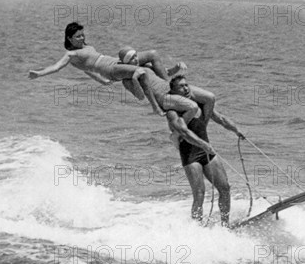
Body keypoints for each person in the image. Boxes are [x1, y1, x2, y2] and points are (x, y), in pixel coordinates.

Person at [28, 22, 184, 116]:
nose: (82, 38)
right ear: (69, 38)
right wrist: (39, 73)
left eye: (82, 35)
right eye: (77, 37)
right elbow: (57, 67)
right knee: (140, 72)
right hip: (111, 70)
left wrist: (101, 81)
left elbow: (87, 71)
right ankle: (156, 107)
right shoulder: (71, 54)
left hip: (116, 62)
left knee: (152, 55)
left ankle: (169, 83)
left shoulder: (86, 46)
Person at [165, 74, 245, 227]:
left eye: (186, 85)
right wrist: (201, 144)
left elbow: (220, 118)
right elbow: (183, 132)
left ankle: (225, 226)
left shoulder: (199, 105)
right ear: (174, 93)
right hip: (190, 155)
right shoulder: (173, 112)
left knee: (225, 188)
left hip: (206, 151)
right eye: (181, 87)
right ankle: (197, 230)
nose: (186, 88)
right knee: (200, 194)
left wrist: (236, 130)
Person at [117, 47, 215, 125]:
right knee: (193, 107)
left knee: (210, 98)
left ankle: (203, 127)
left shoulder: (145, 66)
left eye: (135, 56)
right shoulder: (127, 80)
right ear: (126, 64)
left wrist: (176, 67)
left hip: (172, 87)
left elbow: (166, 73)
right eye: (131, 59)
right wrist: (135, 79)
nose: (136, 59)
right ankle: (178, 132)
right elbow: (140, 96)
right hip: (163, 97)